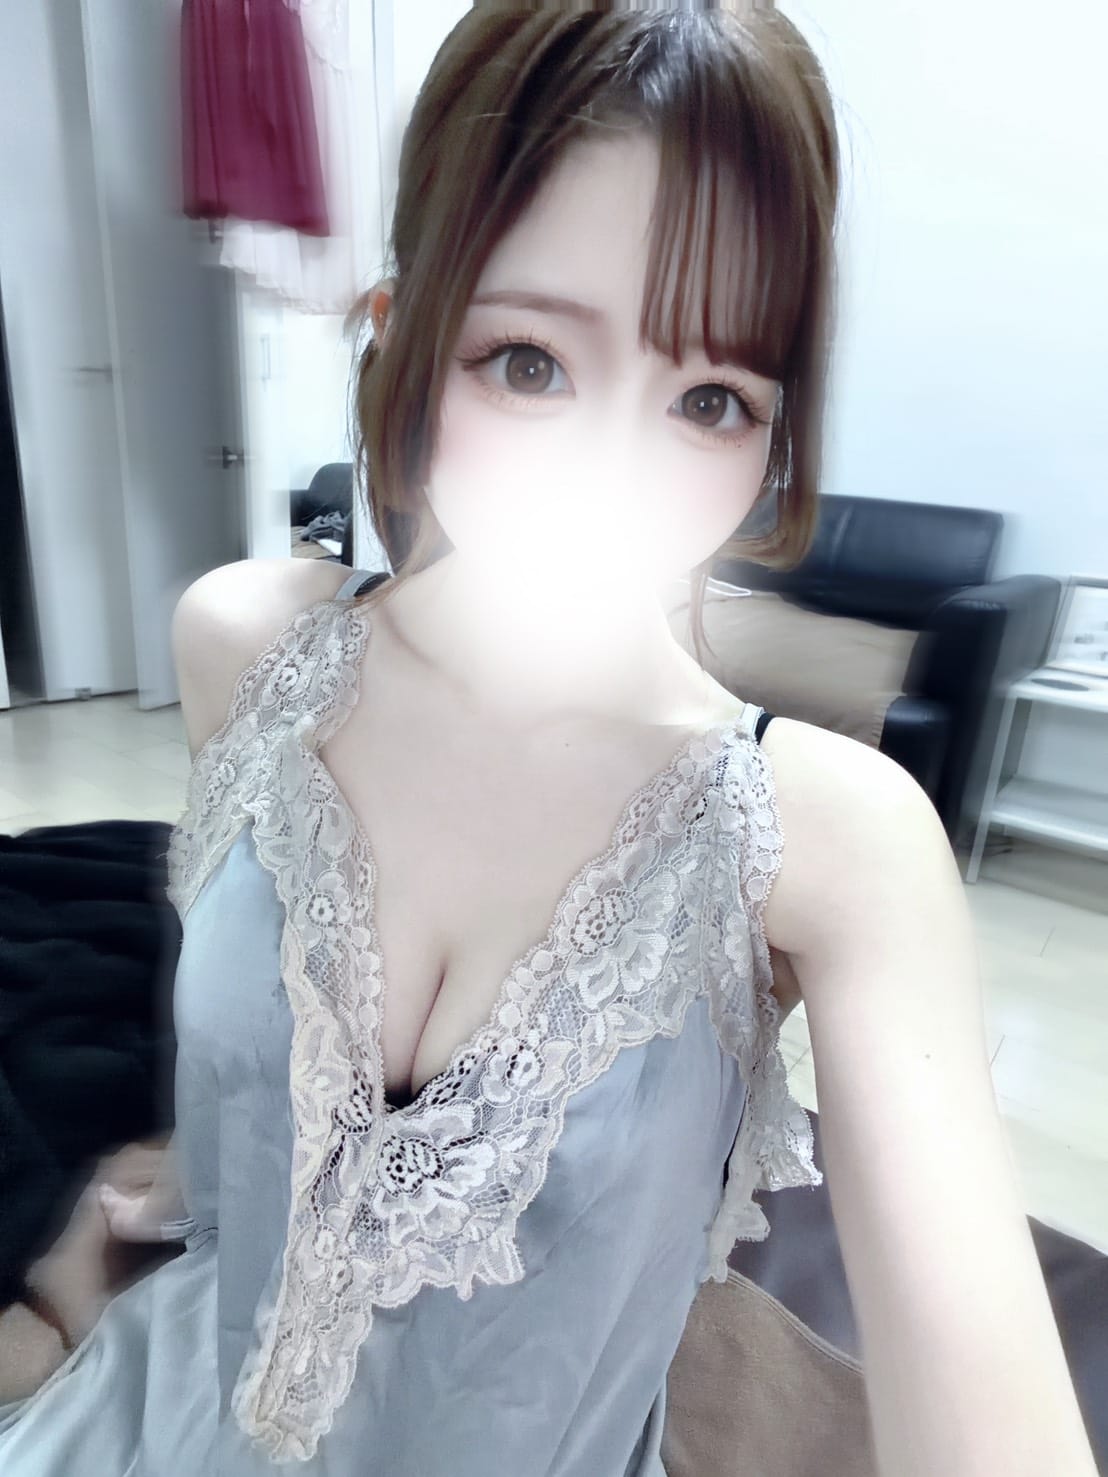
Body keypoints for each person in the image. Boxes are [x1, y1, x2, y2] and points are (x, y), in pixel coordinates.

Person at [0, 6, 1097, 1475]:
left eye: (708, 399)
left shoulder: (828, 836)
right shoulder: (246, 646)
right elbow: (254, 1047)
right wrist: (204, 1155)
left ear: (772, 436)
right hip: (171, 1409)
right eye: (528, 363)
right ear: (402, 333)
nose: (610, 479)